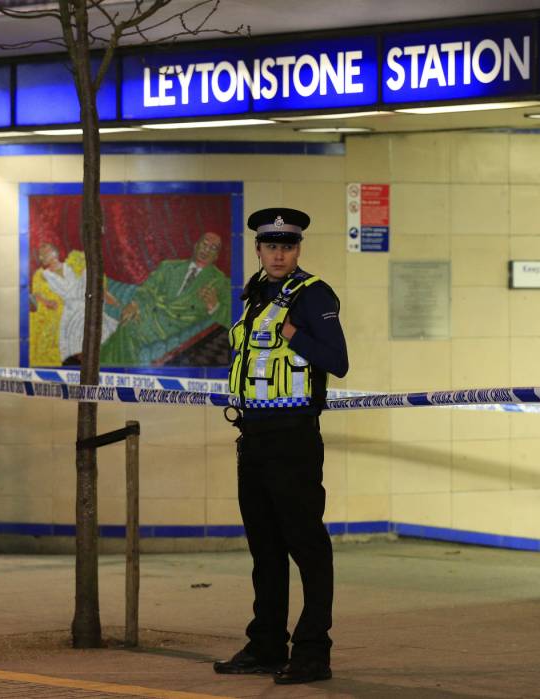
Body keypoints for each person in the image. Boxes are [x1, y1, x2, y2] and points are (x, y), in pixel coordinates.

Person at [214, 208, 348, 685]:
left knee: (306, 545)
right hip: (254, 437)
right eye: (270, 246)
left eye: (287, 246)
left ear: (298, 250)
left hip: (293, 438)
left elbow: (338, 361)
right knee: (264, 549)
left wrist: (294, 332)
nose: (278, 253)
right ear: (258, 249)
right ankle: (267, 644)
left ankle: (313, 652)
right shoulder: (255, 294)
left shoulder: (314, 296)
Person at [99, 231, 231, 366]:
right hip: (151, 313)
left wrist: (215, 307)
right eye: (204, 244)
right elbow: (148, 288)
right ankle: (108, 371)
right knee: (127, 324)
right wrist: (135, 304)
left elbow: (233, 319)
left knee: (129, 330)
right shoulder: (169, 266)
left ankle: (108, 371)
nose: (206, 250)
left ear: (216, 256)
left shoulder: (220, 281)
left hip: (174, 323)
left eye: (213, 248)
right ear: (196, 246)